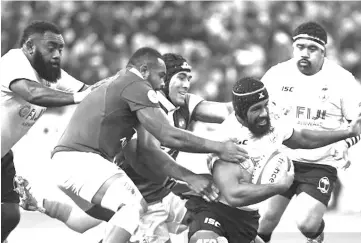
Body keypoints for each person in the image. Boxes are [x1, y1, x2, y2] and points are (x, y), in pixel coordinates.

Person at [49, 47, 248, 243]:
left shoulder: (168, 99)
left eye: (189, 79)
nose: (186, 84)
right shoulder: (138, 90)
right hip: (138, 190)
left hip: (148, 190)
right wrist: (211, 156)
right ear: (147, 72)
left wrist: (263, 98)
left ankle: (40, 202)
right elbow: (155, 146)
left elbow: (226, 111)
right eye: (177, 77)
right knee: (132, 208)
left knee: (217, 219)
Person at [185, 77, 361, 243]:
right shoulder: (228, 138)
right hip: (215, 213)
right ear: (239, 111)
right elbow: (234, 195)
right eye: (256, 109)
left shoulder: (272, 120)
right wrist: (279, 187)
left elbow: (302, 139)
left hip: (247, 220)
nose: (264, 113)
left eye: (265, 105)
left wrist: (347, 133)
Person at [257, 21, 361, 243]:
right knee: (262, 222)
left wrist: (344, 144)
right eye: (300, 47)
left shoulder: (343, 81)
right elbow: (254, 113)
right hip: (280, 159)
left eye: (312, 49)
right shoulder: (276, 75)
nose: (304, 53)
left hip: (320, 163)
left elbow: (357, 125)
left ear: (324, 51)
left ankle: (316, 234)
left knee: (306, 223)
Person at [0, 20, 97, 243]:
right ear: (30, 46)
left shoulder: (52, 75)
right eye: (51, 48)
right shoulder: (13, 61)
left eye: (60, 49)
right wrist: (76, 98)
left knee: (9, 216)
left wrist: (122, 87)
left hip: (3, 154)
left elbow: (90, 92)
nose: (57, 54)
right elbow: (32, 93)